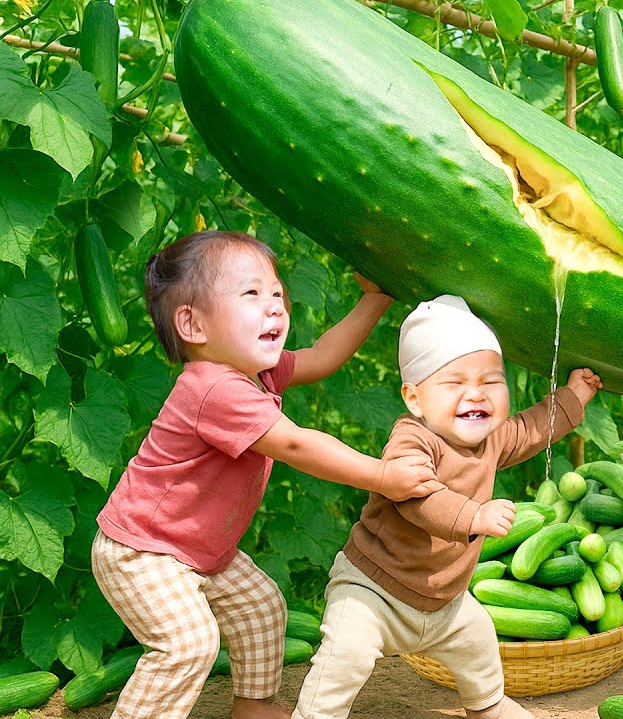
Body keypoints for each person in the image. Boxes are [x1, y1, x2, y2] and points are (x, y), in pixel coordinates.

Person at [93, 231, 439, 719]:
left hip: (195, 548)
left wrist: (375, 301)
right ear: (192, 324)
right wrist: (383, 475)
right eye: (251, 294)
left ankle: (253, 707)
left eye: (277, 293)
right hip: (143, 551)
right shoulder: (212, 387)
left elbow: (321, 357)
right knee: (187, 644)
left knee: (261, 607)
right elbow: (295, 443)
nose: (275, 305)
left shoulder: (253, 373)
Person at [292, 295, 603, 719]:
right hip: (375, 591)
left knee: (479, 646)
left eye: (491, 382)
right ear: (415, 398)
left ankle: (487, 705)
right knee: (346, 658)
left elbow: (531, 429)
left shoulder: (491, 437)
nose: (475, 395)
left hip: (446, 602)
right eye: (454, 383)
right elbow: (418, 497)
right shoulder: (412, 439)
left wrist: (574, 396)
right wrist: (474, 516)